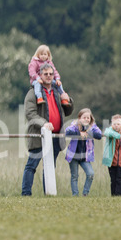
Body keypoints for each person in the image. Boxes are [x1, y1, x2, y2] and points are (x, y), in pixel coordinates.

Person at [21, 62, 74, 196]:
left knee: (50, 167)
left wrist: (68, 100)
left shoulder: (57, 91)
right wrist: (44, 123)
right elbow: (30, 114)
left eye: (51, 74)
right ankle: (26, 194)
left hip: (56, 136)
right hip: (39, 136)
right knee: (32, 165)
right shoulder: (33, 93)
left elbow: (67, 112)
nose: (49, 76)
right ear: (40, 75)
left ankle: (48, 194)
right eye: (46, 74)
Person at [64, 107, 102, 197]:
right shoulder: (74, 125)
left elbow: (99, 135)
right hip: (73, 156)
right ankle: (75, 195)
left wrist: (88, 132)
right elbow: (67, 131)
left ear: (90, 119)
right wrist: (78, 133)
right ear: (79, 118)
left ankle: (85, 193)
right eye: (84, 117)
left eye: (88, 118)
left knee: (90, 174)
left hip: (85, 157)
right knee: (74, 176)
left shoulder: (93, 127)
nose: (86, 119)